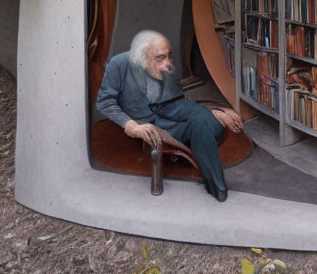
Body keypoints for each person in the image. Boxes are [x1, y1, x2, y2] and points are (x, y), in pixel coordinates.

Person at [96, 30, 243, 201]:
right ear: (143, 55)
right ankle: (217, 186)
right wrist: (131, 125)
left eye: (168, 55)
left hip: (170, 108)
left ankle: (208, 127)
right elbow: (105, 102)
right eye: (160, 57)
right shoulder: (119, 64)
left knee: (206, 119)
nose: (167, 63)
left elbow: (178, 101)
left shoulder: (166, 65)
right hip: (148, 121)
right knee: (203, 126)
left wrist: (214, 112)